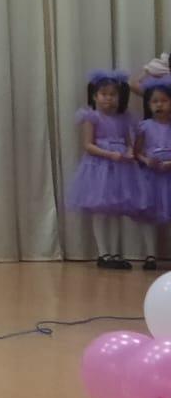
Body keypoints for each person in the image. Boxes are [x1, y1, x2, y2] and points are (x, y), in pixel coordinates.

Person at [66, 71, 147, 269]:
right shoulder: (91, 117)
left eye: (113, 94)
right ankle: (103, 253)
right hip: (99, 169)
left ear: (120, 97)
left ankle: (115, 253)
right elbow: (88, 145)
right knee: (101, 212)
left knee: (116, 213)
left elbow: (128, 142)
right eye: (103, 94)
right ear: (95, 96)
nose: (108, 98)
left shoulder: (124, 118)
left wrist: (129, 152)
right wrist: (110, 154)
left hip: (121, 170)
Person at [135, 78, 171, 266]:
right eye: (155, 101)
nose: (159, 105)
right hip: (151, 177)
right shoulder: (145, 126)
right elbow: (137, 152)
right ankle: (150, 255)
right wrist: (146, 160)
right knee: (149, 216)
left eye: (164, 100)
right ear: (148, 104)